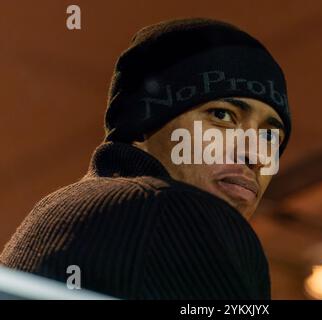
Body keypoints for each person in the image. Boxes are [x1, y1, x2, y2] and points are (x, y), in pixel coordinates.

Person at [0, 17, 292, 299]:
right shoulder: (177, 211)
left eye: (270, 137)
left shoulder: (61, 210)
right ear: (142, 123)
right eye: (222, 115)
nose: (254, 154)